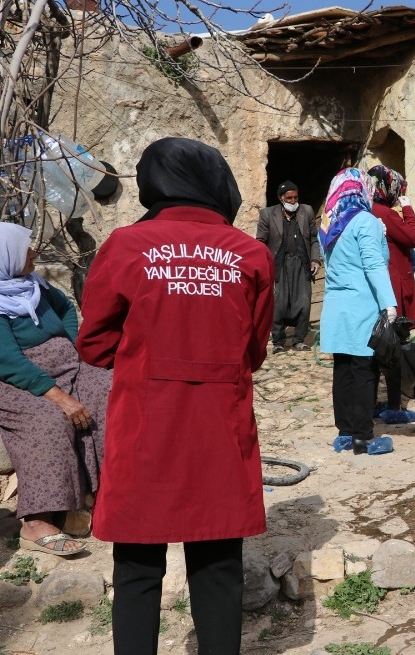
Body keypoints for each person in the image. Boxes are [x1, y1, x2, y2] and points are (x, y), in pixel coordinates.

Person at [76, 137, 274, 655]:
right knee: (218, 567)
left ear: (152, 182)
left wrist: (150, 350)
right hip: (220, 429)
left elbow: (95, 344)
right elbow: (253, 350)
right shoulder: (250, 254)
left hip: (147, 427)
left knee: (138, 568)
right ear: (218, 185)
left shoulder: (124, 246)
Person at [0, 222, 109, 556]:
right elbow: (8, 361)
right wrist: (58, 395)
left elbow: (65, 309)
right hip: (18, 378)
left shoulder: (33, 284)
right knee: (49, 421)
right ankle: (37, 522)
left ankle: (105, 494)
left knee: (110, 390)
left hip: (66, 362)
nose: (32, 253)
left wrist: (75, 347)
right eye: (25, 249)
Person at [318, 168, 397, 456]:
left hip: (336, 308)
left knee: (343, 371)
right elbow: (375, 265)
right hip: (361, 306)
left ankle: (345, 433)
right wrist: (389, 303)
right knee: (365, 371)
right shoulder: (366, 221)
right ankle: (364, 437)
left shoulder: (328, 225)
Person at [367, 164, 415, 425]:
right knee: (394, 346)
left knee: (377, 345)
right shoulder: (385, 213)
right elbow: (413, 238)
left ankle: (373, 402)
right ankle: (393, 405)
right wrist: (408, 209)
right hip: (394, 285)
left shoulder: (366, 210)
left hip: (378, 287)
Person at [256, 180, 321, 352]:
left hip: (301, 263)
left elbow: (314, 239)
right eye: (289, 198)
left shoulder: (306, 211)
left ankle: (299, 339)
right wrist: (264, 264)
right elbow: (261, 241)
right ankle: (278, 341)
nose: (293, 201)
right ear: (280, 198)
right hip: (279, 264)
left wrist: (315, 259)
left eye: (295, 197)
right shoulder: (268, 214)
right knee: (279, 302)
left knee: (303, 302)